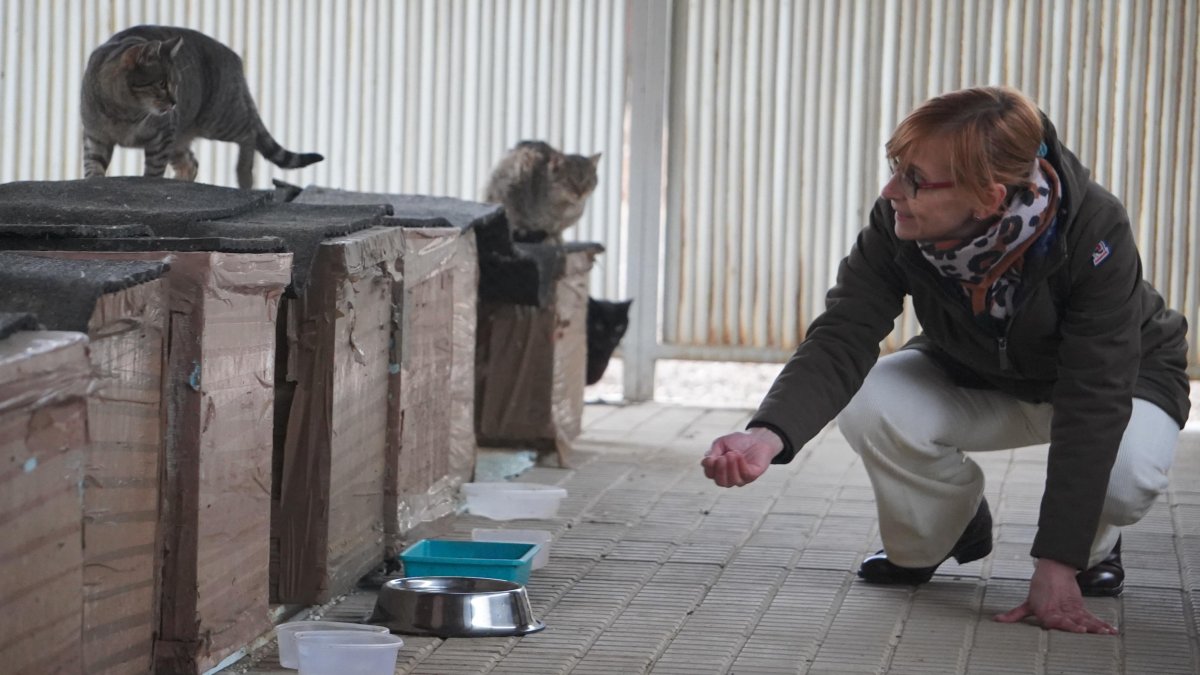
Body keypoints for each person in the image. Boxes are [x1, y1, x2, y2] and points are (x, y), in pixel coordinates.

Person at [701, 86, 1189, 635]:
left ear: (988, 195)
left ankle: (1090, 552)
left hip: (1119, 380)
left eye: (914, 179)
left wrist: (1056, 564)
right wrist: (767, 434)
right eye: (896, 167)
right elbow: (845, 330)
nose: (891, 191)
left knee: (1125, 476)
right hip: (980, 370)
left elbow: (1095, 392)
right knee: (874, 399)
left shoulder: (1093, 229)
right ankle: (943, 529)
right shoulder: (898, 220)